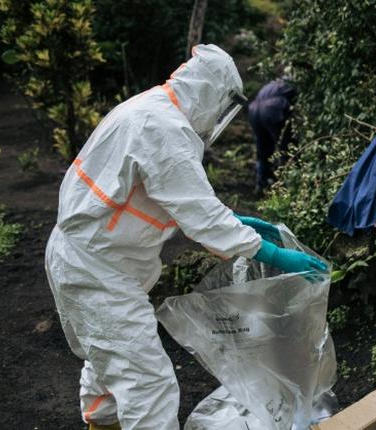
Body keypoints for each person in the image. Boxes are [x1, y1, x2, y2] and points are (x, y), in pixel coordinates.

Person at [44, 44, 326, 430]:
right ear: (213, 93)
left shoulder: (147, 108)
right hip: (99, 272)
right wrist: (274, 253)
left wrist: (235, 221)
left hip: (83, 258)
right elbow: (198, 212)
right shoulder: (166, 129)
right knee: (148, 384)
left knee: (107, 359)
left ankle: (103, 425)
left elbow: (158, 199)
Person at [247, 78, 296, 192]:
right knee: (286, 147)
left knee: (262, 147)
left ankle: (261, 182)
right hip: (272, 108)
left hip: (254, 109)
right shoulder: (292, 84)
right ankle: (287, 184)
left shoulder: (272, 84)